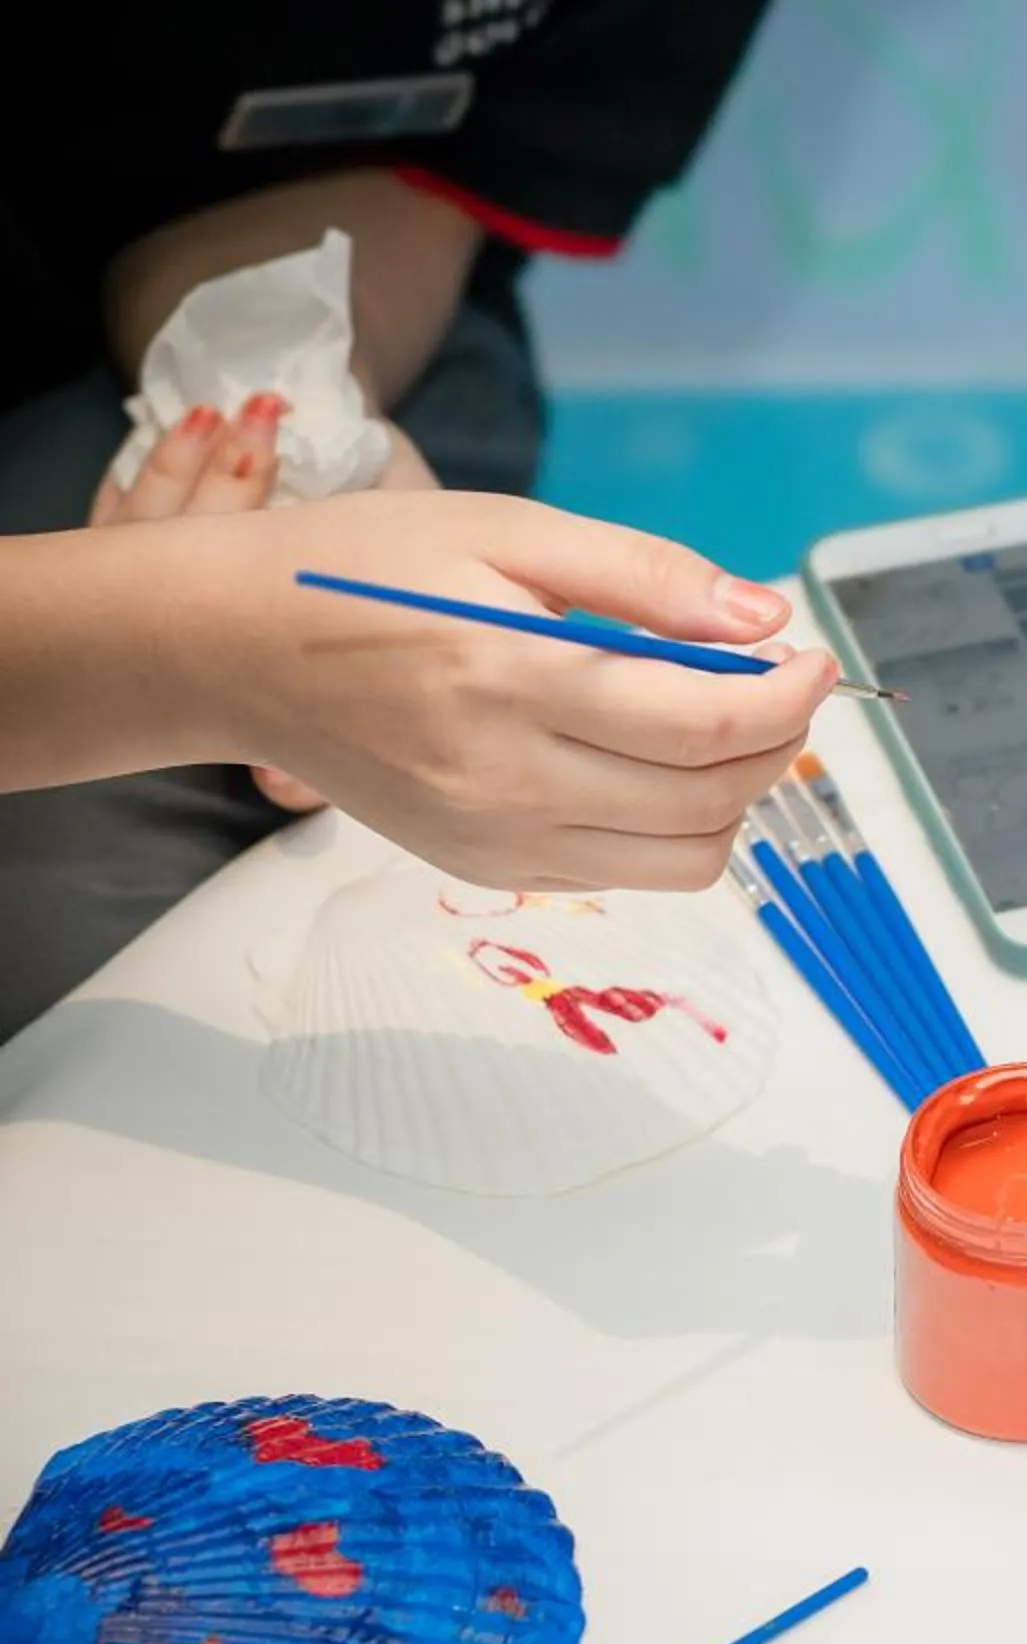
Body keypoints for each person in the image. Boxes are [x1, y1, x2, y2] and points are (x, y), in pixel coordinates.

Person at [0, 0, 775, 1034]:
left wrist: (286, 386)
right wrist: (179, 646)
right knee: (92, 982)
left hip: (238, 301)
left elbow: (326, 175)